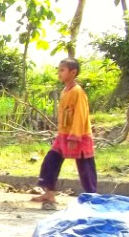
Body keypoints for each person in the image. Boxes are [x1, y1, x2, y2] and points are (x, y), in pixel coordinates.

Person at [32, 58, 97, 209]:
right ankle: (49, 192)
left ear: (73, 73)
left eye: (62, 70)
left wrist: (75, 136)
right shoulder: (64, 91)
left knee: (85, 167)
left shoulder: (77, 92)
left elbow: (80, 115)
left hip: (78, 135)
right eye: (59, 70)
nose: (59, 73)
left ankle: (92, 197)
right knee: (51, 160)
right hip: (63, 135)